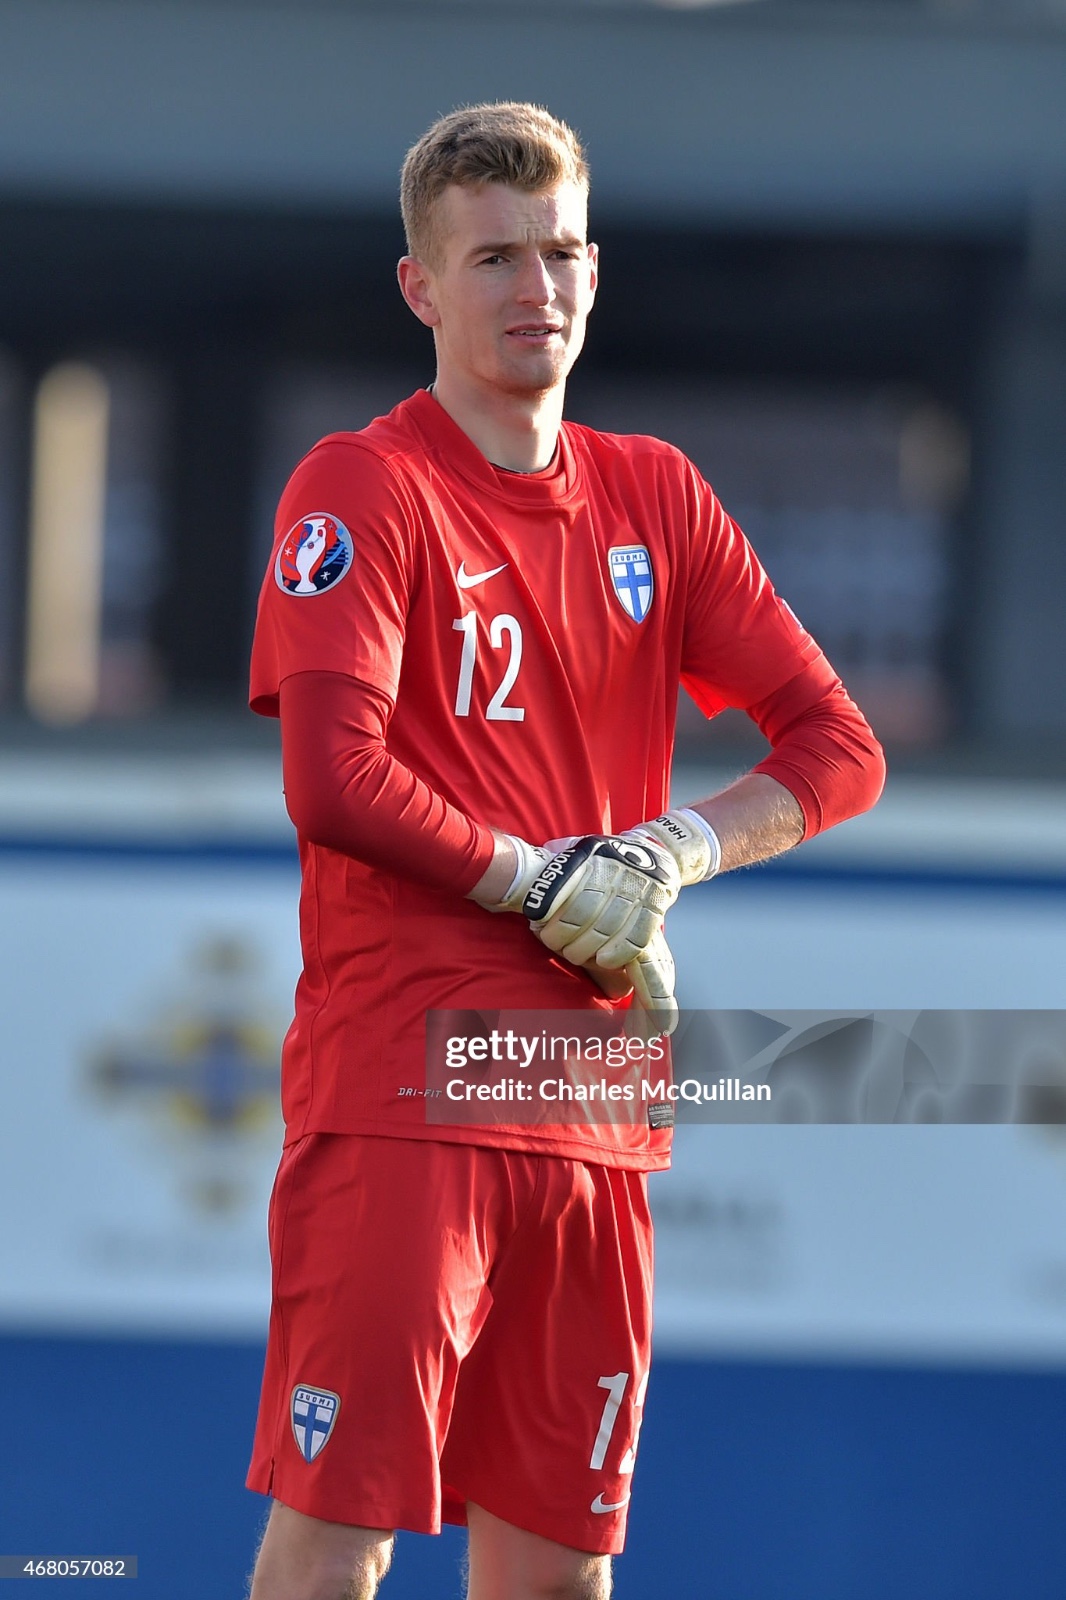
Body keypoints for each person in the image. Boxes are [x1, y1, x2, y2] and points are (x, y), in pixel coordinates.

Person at [244, 102, 885, 1600]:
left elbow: (834, 747)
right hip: (410, 1082)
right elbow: (333, 783)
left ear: (594, 269)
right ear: (421, 288)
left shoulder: (652, 491)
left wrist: (666, 851)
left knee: (561, 1568)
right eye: (491, 259)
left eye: (560, 253)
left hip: (588, 1102)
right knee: (344, 1532)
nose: (535, 289)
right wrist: (539, 878)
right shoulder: (362, 485)